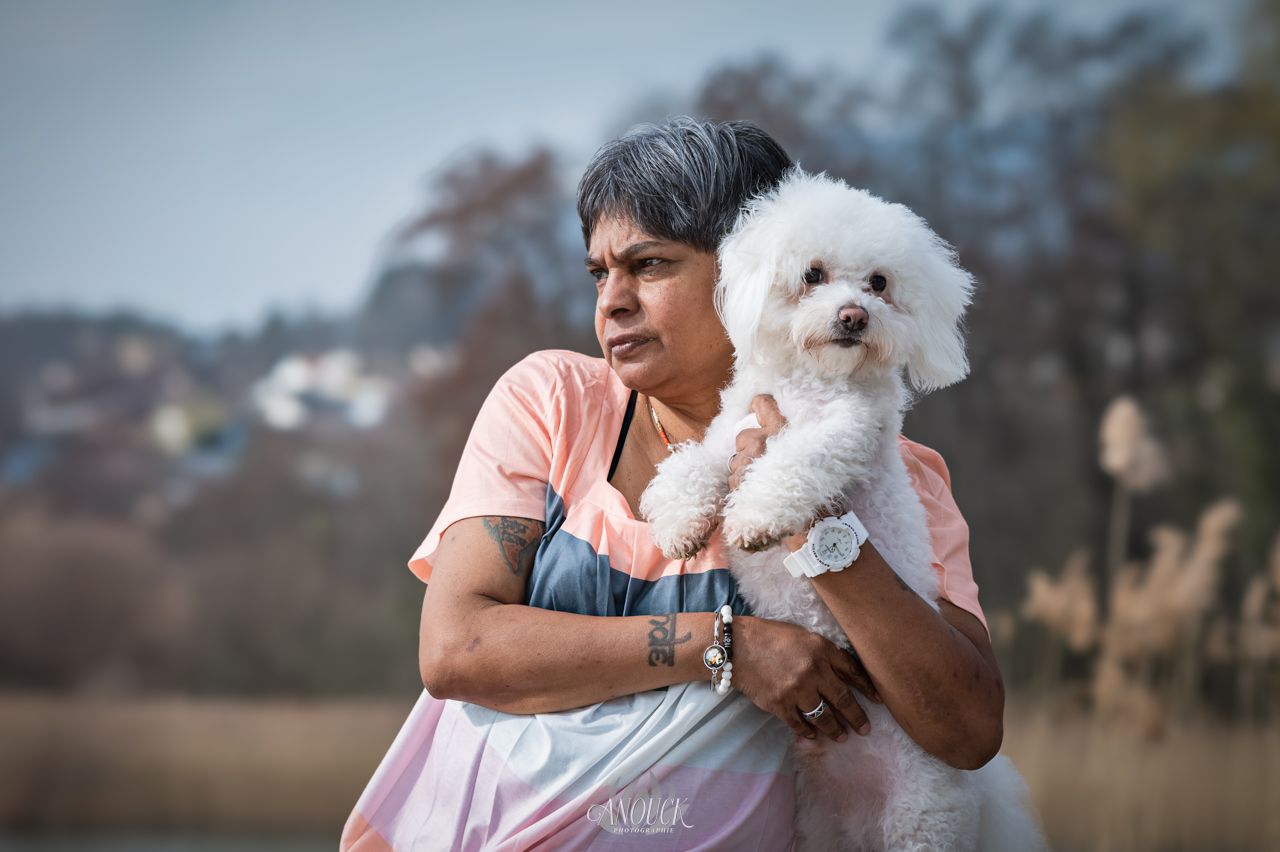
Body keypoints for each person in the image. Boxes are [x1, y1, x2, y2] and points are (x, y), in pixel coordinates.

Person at [340, 117, 1003, 851]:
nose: (612, 301)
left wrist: (818, 526)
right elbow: (457, 650)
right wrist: (724, 646)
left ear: (749, 271)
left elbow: (966, 730)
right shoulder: (551, 402)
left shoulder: (896, 473)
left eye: (649, 266)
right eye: (600, 272)